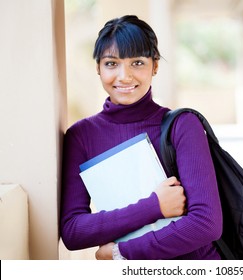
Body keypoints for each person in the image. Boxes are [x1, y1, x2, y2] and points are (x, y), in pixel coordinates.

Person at [60, 15, 222, 260]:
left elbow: (206, 224)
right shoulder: (81, 136)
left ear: (155, 65)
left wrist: (121, 252)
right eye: (111, 64)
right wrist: (154, 206)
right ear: (98, 68)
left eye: (137, 63)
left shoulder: (182, 126)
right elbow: (72, 231)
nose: (124, 76)